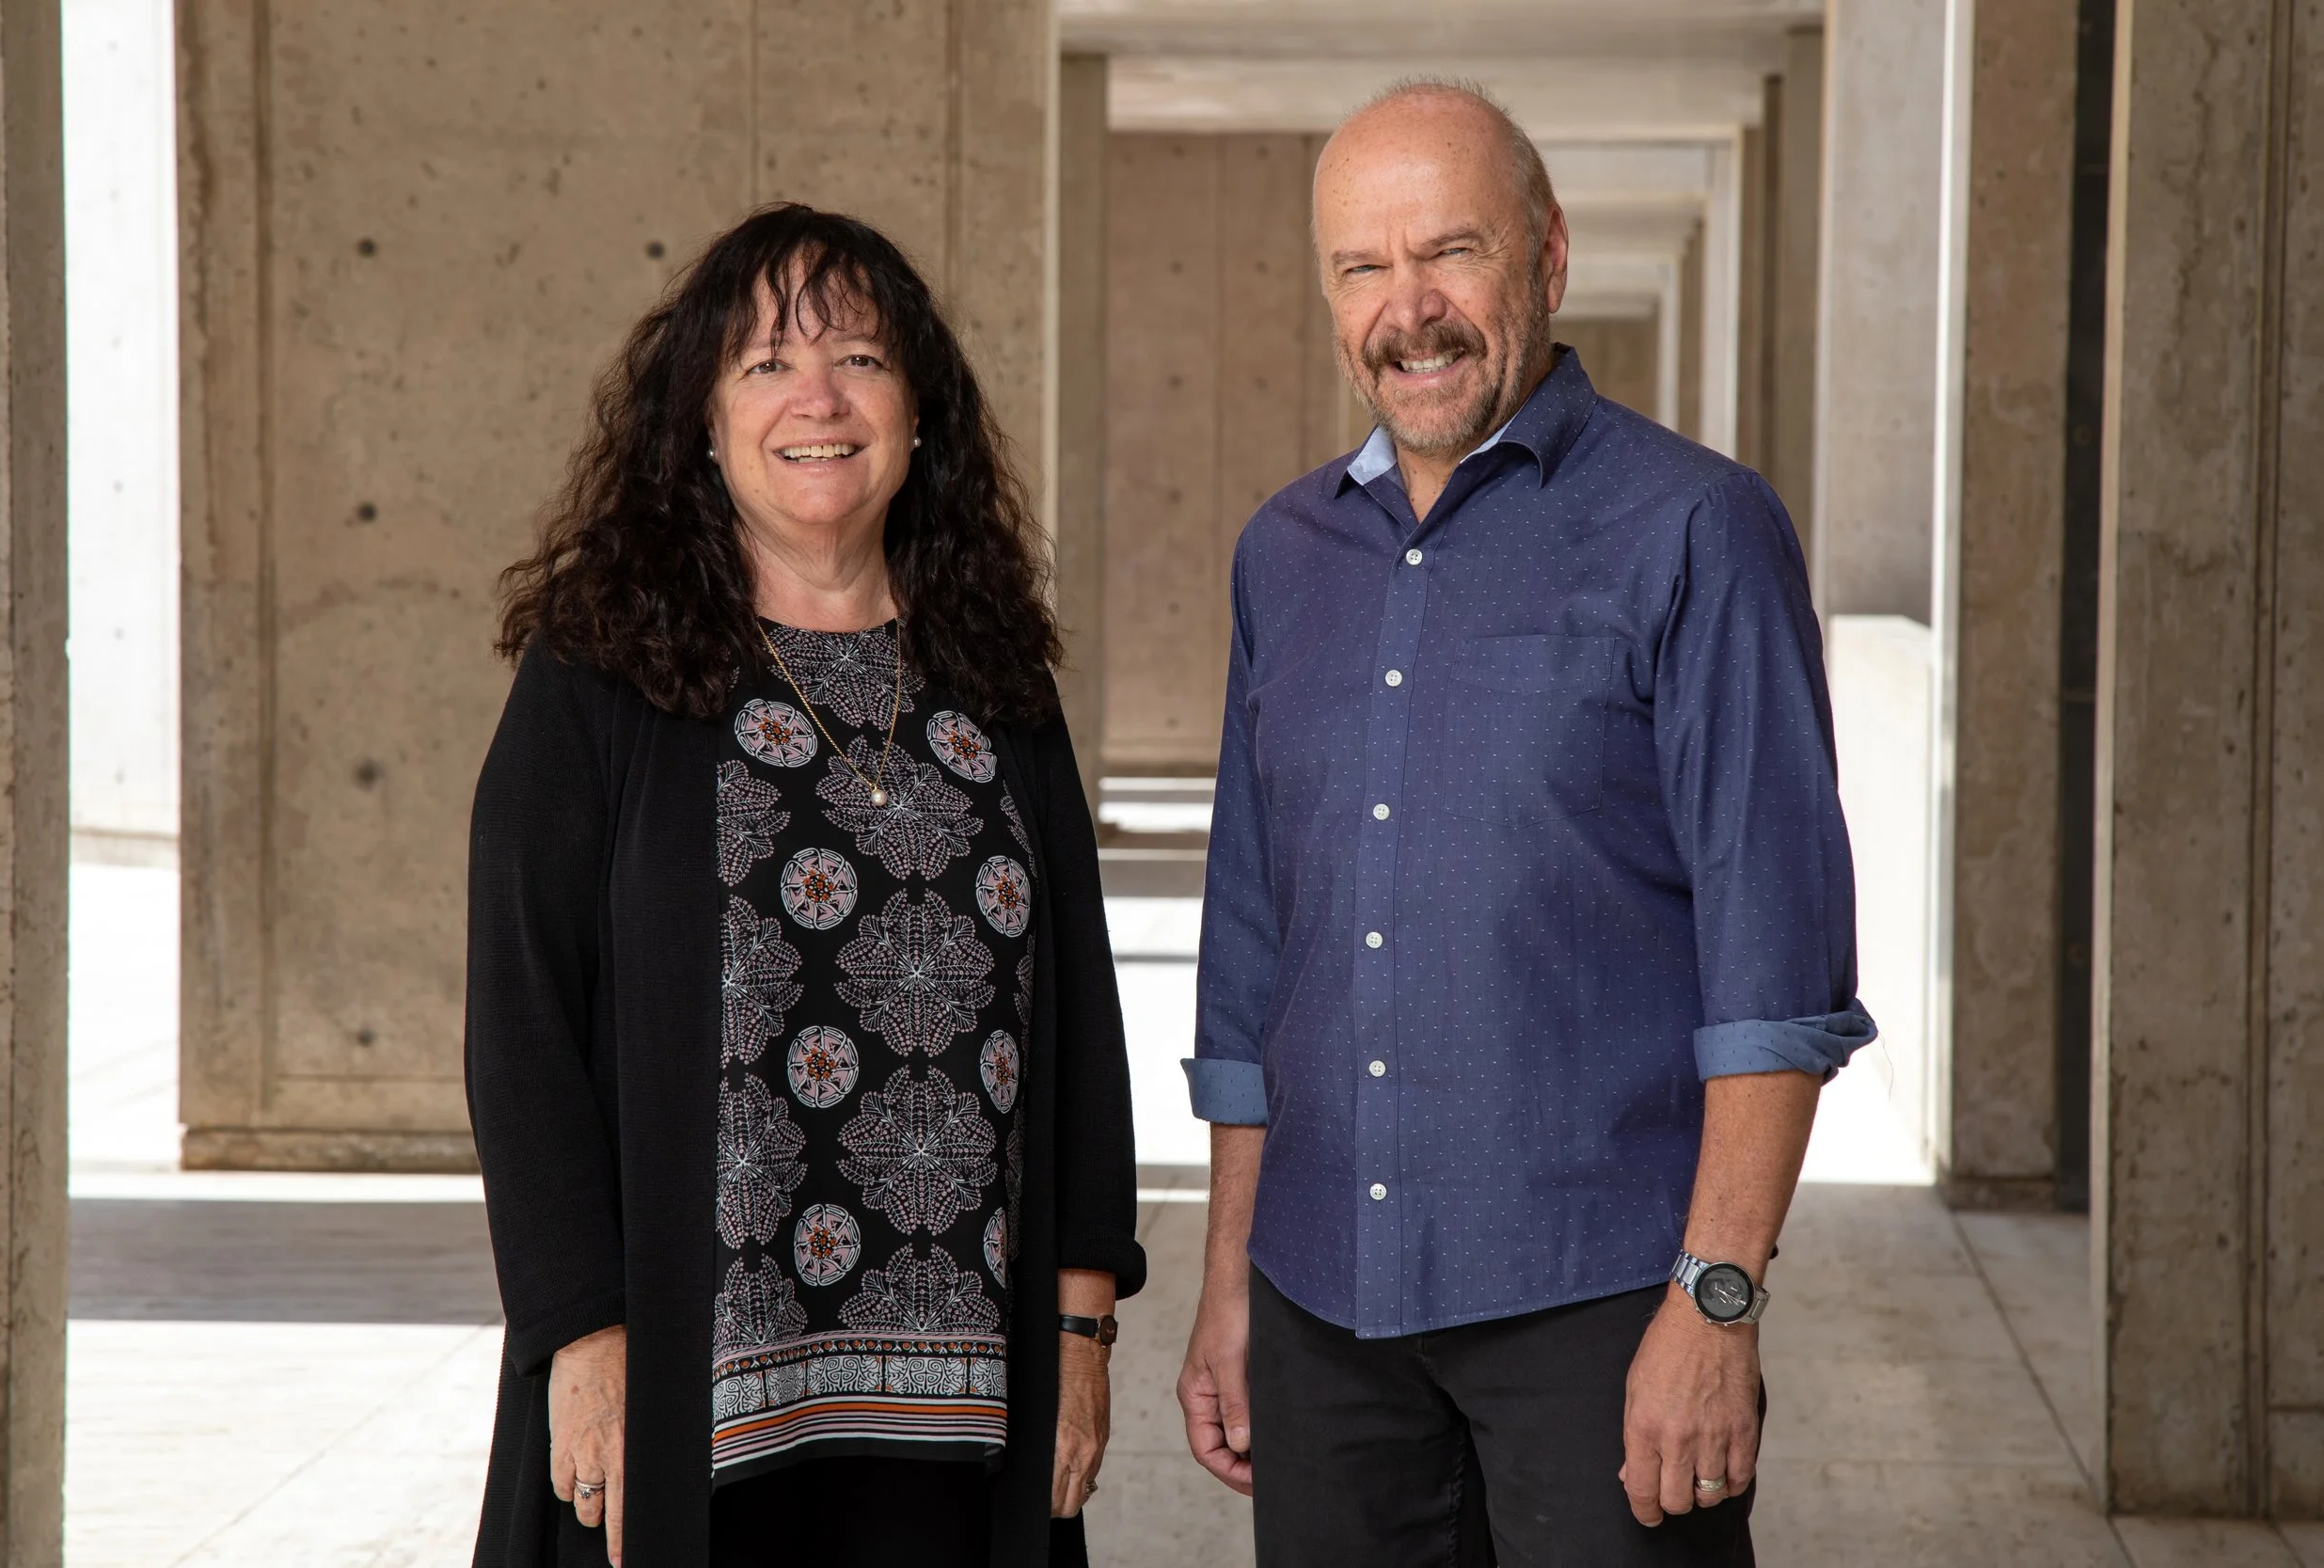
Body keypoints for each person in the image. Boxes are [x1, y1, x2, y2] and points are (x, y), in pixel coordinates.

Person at [1174, 81, 1874, 1567]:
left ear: (1547, 257)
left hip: (1600, 1310)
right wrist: (1230, 1278)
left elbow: (1776, 973)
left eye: (1453, 253)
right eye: (1363, 267)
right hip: (1320, 1308)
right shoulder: (1281, 557)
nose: (1407, 310)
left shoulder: (1697, 530)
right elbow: (1252, 956)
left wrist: (1718, 1300)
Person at [466, 203, 1145, 1568]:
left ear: (920, 413)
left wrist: (1079, 1321)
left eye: (862, 360)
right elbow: (521, 1020)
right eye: (766, 363)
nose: (817, 398)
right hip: (691, 1382)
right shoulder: (601, 671)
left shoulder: (998, 676)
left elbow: (1082, 1016)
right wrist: (578, 1334)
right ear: (702, 425)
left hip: (969, 1406)